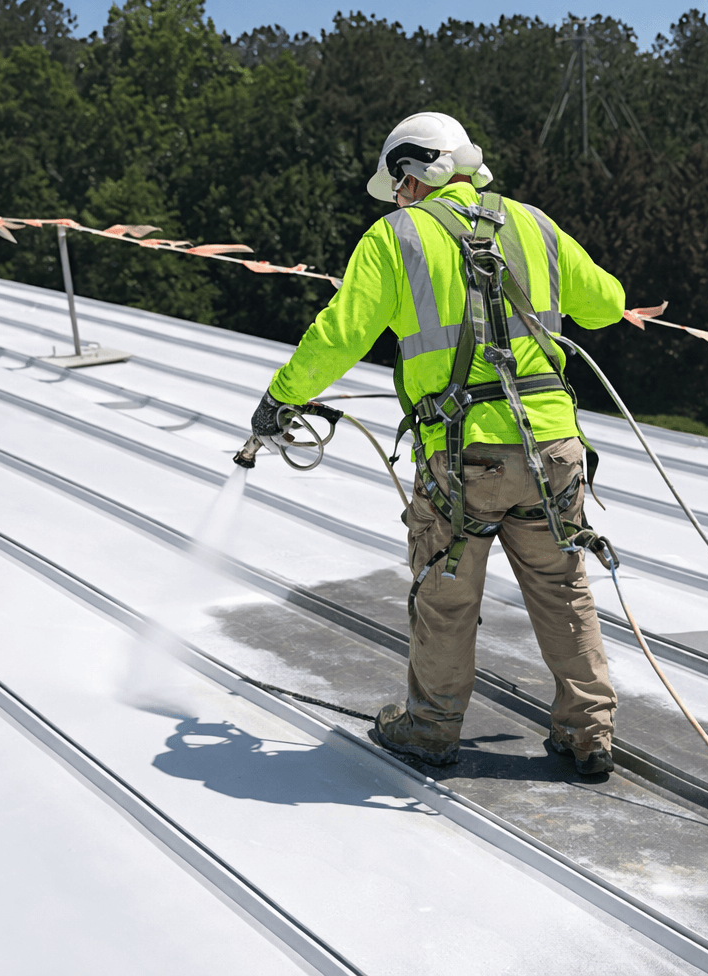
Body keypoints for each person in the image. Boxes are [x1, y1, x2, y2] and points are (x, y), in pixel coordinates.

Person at [248, 111, 625, 775]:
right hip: (554, 453)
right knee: (564, 589)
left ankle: (430, 728)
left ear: (413, 172)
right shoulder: (533, 224)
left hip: (465, 459)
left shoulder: (397, 238)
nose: (395, 200)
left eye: (396, 186)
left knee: (446, 594)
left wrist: (282, 397)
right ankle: (588, 732)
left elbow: (340, 336)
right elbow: (606, 305)